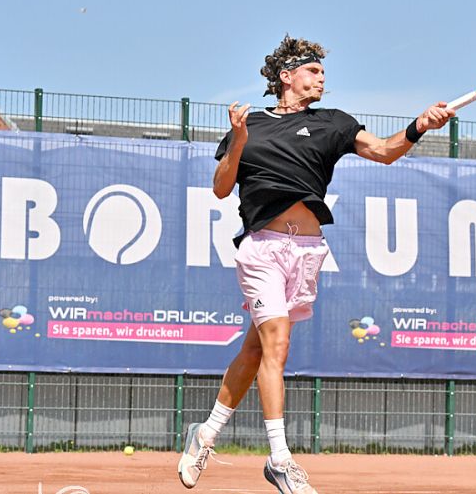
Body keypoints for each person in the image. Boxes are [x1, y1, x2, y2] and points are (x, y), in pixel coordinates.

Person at [177, 35, 454, 494]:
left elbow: (385, 150)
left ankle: (204, 434)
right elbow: (222, 187)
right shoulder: (250, 124)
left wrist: (419, 125)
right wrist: (240, 141)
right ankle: (280, 459)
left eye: (324, 73)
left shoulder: (333, 123)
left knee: (256, 352)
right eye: (312, 71)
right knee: (278, 345)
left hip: (307, 251)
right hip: (262, 247)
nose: (321, 78)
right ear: (286, 76)